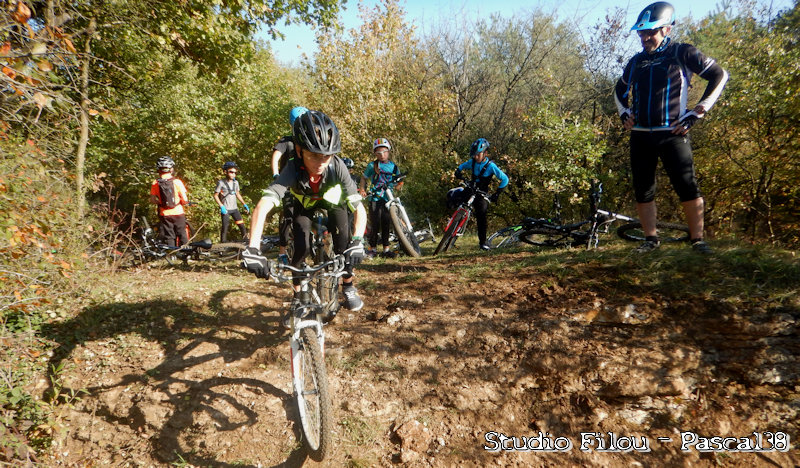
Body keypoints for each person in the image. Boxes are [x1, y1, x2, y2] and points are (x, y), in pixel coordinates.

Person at [615, 1, 728, 254]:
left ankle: (697, 241)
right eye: (641, 32)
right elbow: (620, 89)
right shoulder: (636, 61)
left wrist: (696, 113)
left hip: (673, 133)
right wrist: (624, 113)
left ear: (667, 29)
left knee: (686, 185)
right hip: (641, 135)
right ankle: (650, 240)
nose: (644, 37)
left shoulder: (682, 52)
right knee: (643, 188)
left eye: (650, 32)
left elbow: (720, 75)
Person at [242, 110, 367, 326]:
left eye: (326, 156)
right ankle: (298, 298)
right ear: (299, 150)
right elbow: (263, 205)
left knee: (345, 243)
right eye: (313, 155)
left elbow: (359, 208)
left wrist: (358, 242)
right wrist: (253, 248)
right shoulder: (292, 167)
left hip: (333, 203)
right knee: (301, 247)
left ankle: (347, 285)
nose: (321, 162)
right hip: (304, 206)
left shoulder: (338, 166)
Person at [453, 138, 509, 251]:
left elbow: (505, 179)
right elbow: (462, 166)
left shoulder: (491, 166)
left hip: (482, 193)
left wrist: (497, 193)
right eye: (474, 155)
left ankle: (483, 242)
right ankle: (451, 234)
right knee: (456, 200)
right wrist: (458, 171)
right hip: (471, 188)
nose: (475, 157)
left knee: (481, 217)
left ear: (485, 153)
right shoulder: (472, 162)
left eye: (478, 154)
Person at [271, 106, 308, 264]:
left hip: (306, 182)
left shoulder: (309, 139)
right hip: (288, 183)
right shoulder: (286, 141)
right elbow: (275, 158)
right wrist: (276, 175)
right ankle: (282, 253)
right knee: (287, 217)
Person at [358, 138, 403, 258]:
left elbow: (400, 181)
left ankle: (386, 249)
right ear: (375, 154)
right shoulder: (372, 165)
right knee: (375, 223)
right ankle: (372, 249)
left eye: (384, 151)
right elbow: (363, 178)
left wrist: (398, 186)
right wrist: (362, 189)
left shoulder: (393, 167)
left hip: (388, 199)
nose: (382, 155)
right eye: (378, 153)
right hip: (374, 198)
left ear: (388, 151)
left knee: (386, 223)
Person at [149, 156, 189, 248]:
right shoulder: (177, 182)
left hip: (165, 213)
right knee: (182, 233)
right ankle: (185, 254)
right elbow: (185, 199)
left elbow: (152, 199)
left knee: (169, 235)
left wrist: (160, 203)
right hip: (178, 211)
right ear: (171, 169)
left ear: (159, 169)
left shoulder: (155, 183)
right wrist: (185, 202)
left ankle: (172, 254)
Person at [213, 161, 249, 242]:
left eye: (235, 173)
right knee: (225, 228)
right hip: (226, 209)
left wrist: (244, 204)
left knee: (242, 226)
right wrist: (221, 206)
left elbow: (237, 193)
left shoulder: (236, 183)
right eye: (231, 172)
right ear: (225, 171)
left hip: (234, 209)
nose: (233, 174)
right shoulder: (221, 183)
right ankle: (222, 247)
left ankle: (246, 242)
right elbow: (215, 195)